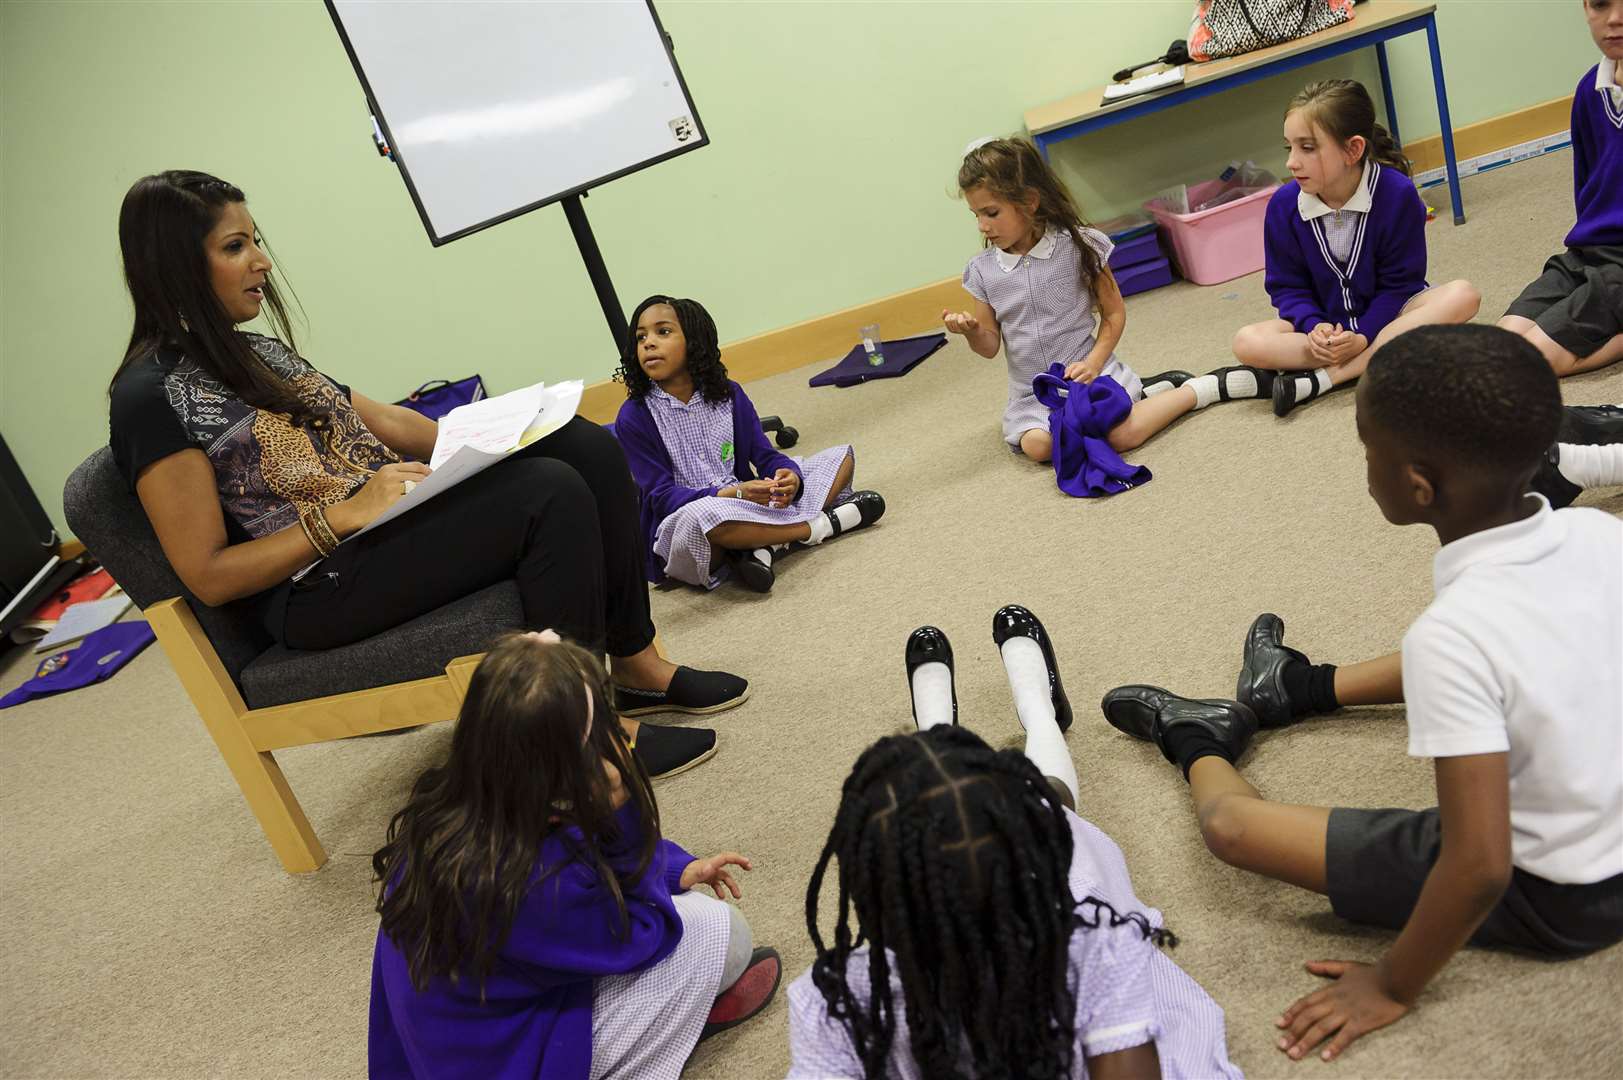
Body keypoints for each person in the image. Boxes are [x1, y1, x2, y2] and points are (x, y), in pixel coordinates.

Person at [1101, 325, 1623, 1062]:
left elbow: (1477, 866)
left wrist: (1392, 984)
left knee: (1233, 829)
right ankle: (1294, 688)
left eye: (1364, 450)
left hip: (1561, 897)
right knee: (1472, 658)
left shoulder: (1452, 637)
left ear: (1416, 484)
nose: (1363, 465)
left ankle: (1198, 735)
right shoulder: (1599, 539)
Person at [106, 170, 736, 778]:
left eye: (256, 241)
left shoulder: (254, 349)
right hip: (318, 586)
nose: (263, 262)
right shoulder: (148, 397)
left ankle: (634, 663)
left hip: (386, 526)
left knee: (583, 448)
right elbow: (208, 576)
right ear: (178, 265)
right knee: (547, 493)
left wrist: (499, 441)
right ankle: (575, 737)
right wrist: (341, 517)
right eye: (235, 246)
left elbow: (381, 419)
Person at [788, 608, 1242, 1079]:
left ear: (868, 891)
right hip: (1062, 912)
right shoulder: (1094, 949)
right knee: (1055, 810)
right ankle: (1036, 709)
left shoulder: (835, 1002)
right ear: (1035, 865)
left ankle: (939, 726)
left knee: (1000, 811)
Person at [369, 632, 780, 1079]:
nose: (623, 741)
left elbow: (584, 852)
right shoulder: (529, 882)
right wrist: (622, 808)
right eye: (607, 730)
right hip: (509, 1059)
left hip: (465, 1042)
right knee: (721, 932)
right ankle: (652, 1046)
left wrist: (677, 869)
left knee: (696, 920)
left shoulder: (459, 804)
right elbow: (646, 934)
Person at [942, 138, 1254, 467]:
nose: (982, 226)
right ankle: (1145, 392)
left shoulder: (1078, 245)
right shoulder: (983, 270)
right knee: (1040, 447)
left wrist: (1093, 364)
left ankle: (1201, 389)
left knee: (1121, 437)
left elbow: (1113, 312)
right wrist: (972, 331)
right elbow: (989, 346)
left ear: (1030, 201)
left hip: (1092, 374)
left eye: (991, 213)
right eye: (975, 215)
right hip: (1033, 394)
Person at [1231, 80, 1480, 416]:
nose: (1291, 162)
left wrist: (1362, 334)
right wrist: (1314, 326)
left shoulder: (1397, 193)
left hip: (1389, 317)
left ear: (1353, 150)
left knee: (1464, 296)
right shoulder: (1283, 206)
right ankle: (1371, 358)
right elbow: (1287, 288)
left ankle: (1325, 379)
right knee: (1247, 342)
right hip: (1324, 331)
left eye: (1307, 148)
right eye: (1288, 147)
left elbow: (1401, 285)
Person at [614, 295, 885, 594]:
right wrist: (730, 493)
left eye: (662, 332)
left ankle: (763, 546)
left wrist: (788, 477)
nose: (648, 343)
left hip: (745, 501)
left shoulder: (728, 393)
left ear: (694, 340)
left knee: (840, 456)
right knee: (706, 517)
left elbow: (764, 454)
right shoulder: (634, 415)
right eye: (641, 337)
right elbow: (661, 497)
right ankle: (818, 527)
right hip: (690, 520)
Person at [1498, 0, 1623, 376]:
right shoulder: (1589, 90)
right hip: (1588, 254)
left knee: (1531, 363)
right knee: (1501, 345)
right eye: (1601, 4)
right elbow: (1586, 184)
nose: (1614, 19)